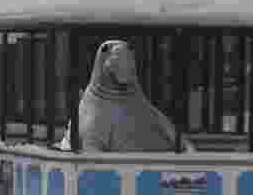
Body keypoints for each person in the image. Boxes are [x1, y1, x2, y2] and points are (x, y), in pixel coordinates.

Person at [59, 40, 194, 152]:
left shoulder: (139, 101)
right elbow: (90, 147)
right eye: (107, 50)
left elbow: (166, 127)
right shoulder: (92, 108)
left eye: (128, 49)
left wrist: (187, 148)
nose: (120, 51)